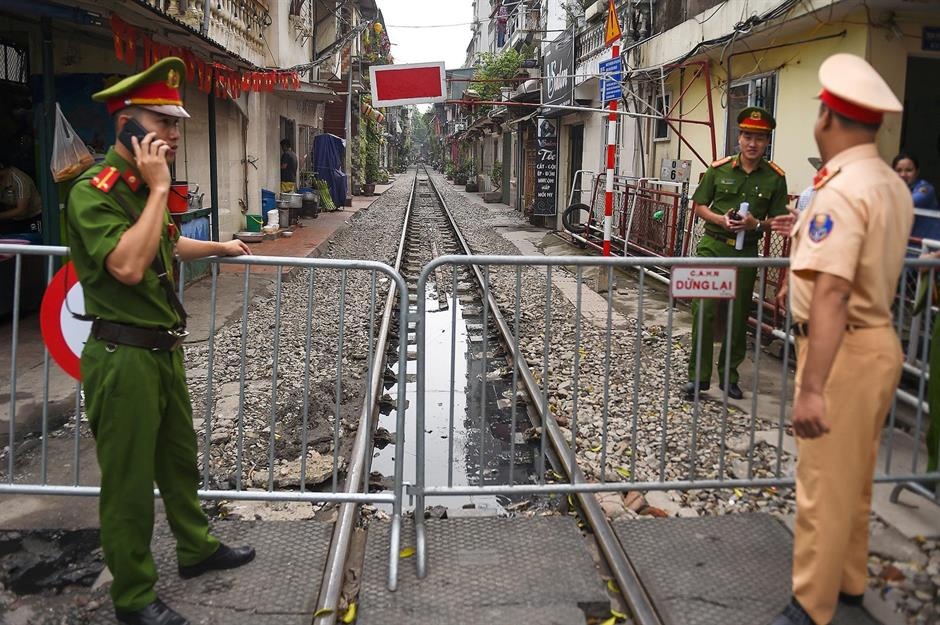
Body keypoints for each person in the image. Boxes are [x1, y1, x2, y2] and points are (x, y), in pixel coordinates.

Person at [66, 57, 255, 625]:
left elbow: (166, 244)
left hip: (161, 350)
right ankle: (133, 595)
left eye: (176, 123)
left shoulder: (136, 189)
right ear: (126, 125)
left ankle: (196, 548)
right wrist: (159, 189)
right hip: (122, 357)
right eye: (162, 122)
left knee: (178, 461)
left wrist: (221, 248)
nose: (173, 134)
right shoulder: (94, 192)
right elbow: (128, 265)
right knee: (128, 484)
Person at [771, 53, 911, 625]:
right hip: (876, 342)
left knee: (823, 484)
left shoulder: (841, 189)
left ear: (827, 117)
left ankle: (810, 606)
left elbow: (832, 291)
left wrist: (812, 389)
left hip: (842, 350)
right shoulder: (888, 183)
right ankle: (849, 583)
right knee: (855, 478)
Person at [682, 106, 790, 401]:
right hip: (713, 248)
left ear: (766, 142)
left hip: (746, 252)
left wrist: (757, 224)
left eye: (760, 138)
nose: (753, 143)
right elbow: (699, 205)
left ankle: (729, 376)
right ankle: (698, 378)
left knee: (737, 315)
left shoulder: (774, 178)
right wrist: (720, 219)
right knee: (703, 311)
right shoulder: (718, 170)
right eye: (747, 136)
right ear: (739, 138)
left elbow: (779, 220)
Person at [892, 152, 939, 240]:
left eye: (908, 170)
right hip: (907, 243)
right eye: (898, 170)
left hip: (928, 244)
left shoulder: (926, 188)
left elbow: (909, 202)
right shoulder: (893, 189)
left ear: (917, 172)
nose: (903, 174)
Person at [0, 160, 42, 236]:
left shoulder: (20, 180)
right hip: (13, 219)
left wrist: (1, 216)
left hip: (33, 216)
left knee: (34, 240)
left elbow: (21, 210)